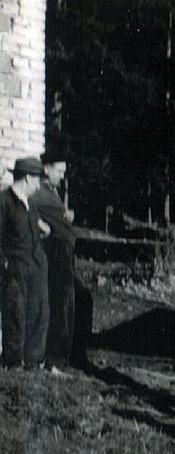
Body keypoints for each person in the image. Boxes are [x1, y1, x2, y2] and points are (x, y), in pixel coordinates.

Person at [30, 153, 81, 372]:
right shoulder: (41, 193)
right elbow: (54, 221)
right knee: (60, 304)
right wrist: (65, 216)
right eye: (59, 171)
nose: (62, 176)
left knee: (72, 302)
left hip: (63, 255)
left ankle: (66, 357)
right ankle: (54, 359)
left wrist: (64, 216)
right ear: (47, 169)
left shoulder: (51, 191)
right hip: (55, 256)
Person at [0, 157, 50, 371]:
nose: (39, 185)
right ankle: (13, 362)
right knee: (15, 313)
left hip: (35, 263)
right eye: (37, 180)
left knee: (38, 311)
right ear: (27, 178)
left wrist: (43, 228)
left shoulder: (30, 204)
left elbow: (35, 226)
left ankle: (33, 361)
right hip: (15, 266)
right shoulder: (4, 201)